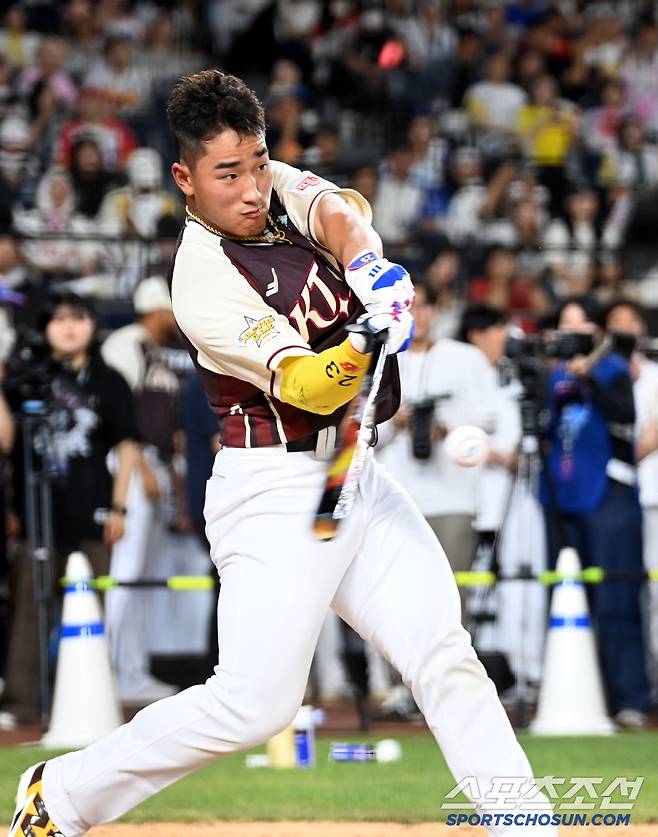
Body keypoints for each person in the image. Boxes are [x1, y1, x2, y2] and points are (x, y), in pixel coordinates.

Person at [10, 69, 555, 837]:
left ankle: (525, 823)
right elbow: (308, 384)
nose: (250, 187)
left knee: (443, 650)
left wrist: (370, 269)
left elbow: (338, 212)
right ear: (185, 179)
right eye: (227, 174)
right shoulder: (201, 278)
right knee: (254, 704)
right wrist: (365, 339)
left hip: (354, 471)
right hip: (274, 487)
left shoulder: (271, 182)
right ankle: (60, 793)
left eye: (258, 164)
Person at [1, 292, 138, 728]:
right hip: (36, 515)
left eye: (77, 318)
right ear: (44, 328)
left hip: (93, 512)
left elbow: (128, 446)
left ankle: (89, 701)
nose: (69, 327)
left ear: (92, 326)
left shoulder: (109, 381)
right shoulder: (24, 377)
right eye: (58, 319)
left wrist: (119, 508)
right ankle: (22, 705)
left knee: (92, 608)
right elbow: (6, 441)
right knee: (29, 608)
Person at [540, 296, 651, 728]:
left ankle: (630, 698)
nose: (570, 334)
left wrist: (589, 378)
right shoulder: (553, 374)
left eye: (579, 325)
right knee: (568, 597)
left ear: (597, 330)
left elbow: (626, 415)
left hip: (609, 492)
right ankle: (580, 695)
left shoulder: (614, 368)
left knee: (616, 598)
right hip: (561, 495)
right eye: (564, 325)